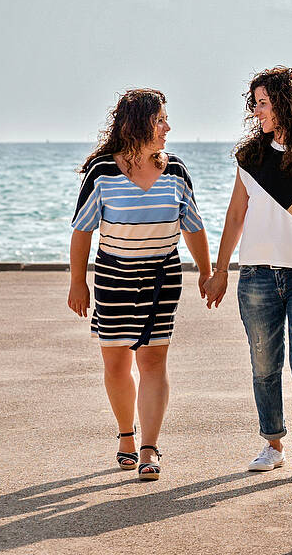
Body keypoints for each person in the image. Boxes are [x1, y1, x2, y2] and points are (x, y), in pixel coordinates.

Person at [202, 67, 292, 481]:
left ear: (284, 104)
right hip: (257, 275)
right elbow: (235, 214)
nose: (257, 110)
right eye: (256, 103)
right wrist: (221, 269)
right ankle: (272, 444)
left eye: (263, 102)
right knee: (263, 364)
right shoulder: (250, 157)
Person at [68, 88, 210, 480]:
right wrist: (77, 282)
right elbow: (82, 231)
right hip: (113, 277)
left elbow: (193, 225)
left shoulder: (177, 171)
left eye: (166, 119)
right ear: (140, 123)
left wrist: (206, 271)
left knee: (152, 360)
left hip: (161, 278)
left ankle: (149, 447)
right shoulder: (102, 171)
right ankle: (125, 436)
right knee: (116, 363)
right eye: (160, 119)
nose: (167, 126)